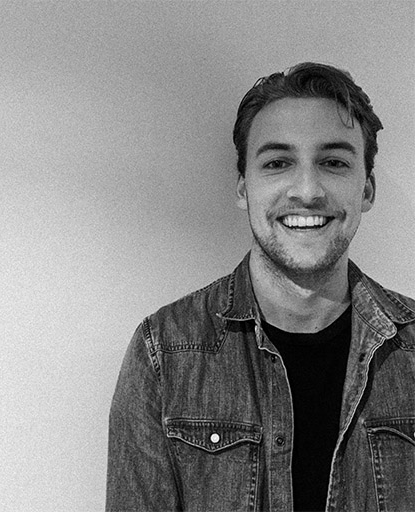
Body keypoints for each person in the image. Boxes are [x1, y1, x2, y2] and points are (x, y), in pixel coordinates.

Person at [105, 62, 415, 512]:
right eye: (277, 163)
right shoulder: (163, 352)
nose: (307, 190)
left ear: (366, 189)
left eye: (333, 162)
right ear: (243, 188)